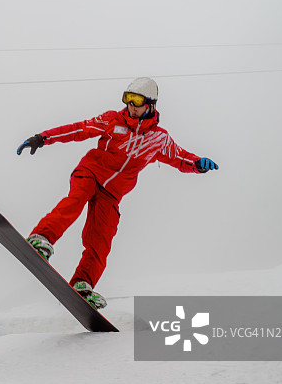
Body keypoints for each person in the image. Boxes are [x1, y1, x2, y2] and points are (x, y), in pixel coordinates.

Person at [16, 77, 218, 309]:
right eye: (127, 99)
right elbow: (79, 129)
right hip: (91, 172)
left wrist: (197, 164)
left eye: (137, 100)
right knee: (75, 200)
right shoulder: (112, 119)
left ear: (150, 105)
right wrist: (43, 138)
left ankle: (83, 283)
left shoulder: (158, 139)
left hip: (112, 193)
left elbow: (179, 156)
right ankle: (41, 238)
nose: (131, 105)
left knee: (102, 238)